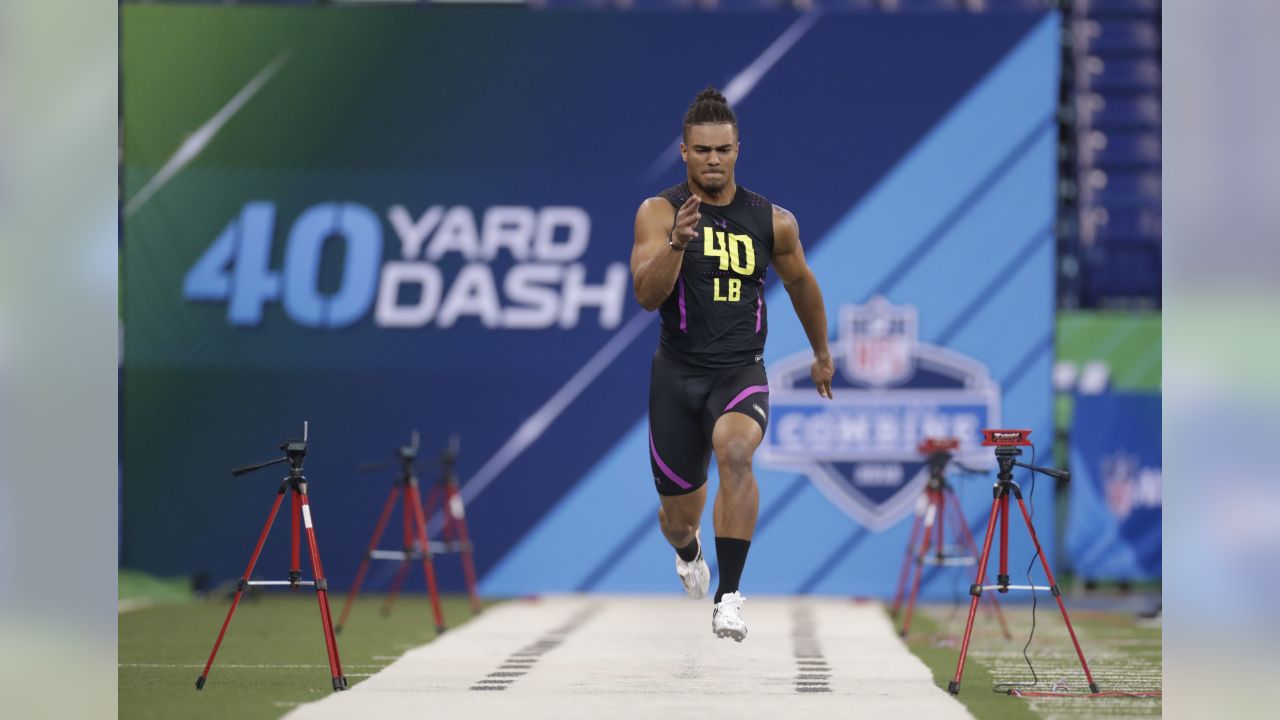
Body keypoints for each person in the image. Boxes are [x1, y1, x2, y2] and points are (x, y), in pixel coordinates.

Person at [629, 87, 835, 641]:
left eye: (722, 149)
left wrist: (821, 353)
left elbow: (802, 286)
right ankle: (690, 552)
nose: (713, 159)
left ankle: (729, 596)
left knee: (737, 452)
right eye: (702, 150)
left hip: (739, 372)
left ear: (738, 149)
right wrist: (676, 243)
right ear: (684, 152)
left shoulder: (773, 222)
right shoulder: (658, 212)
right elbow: (646, 297)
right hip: (676, 376)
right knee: (677, 519)